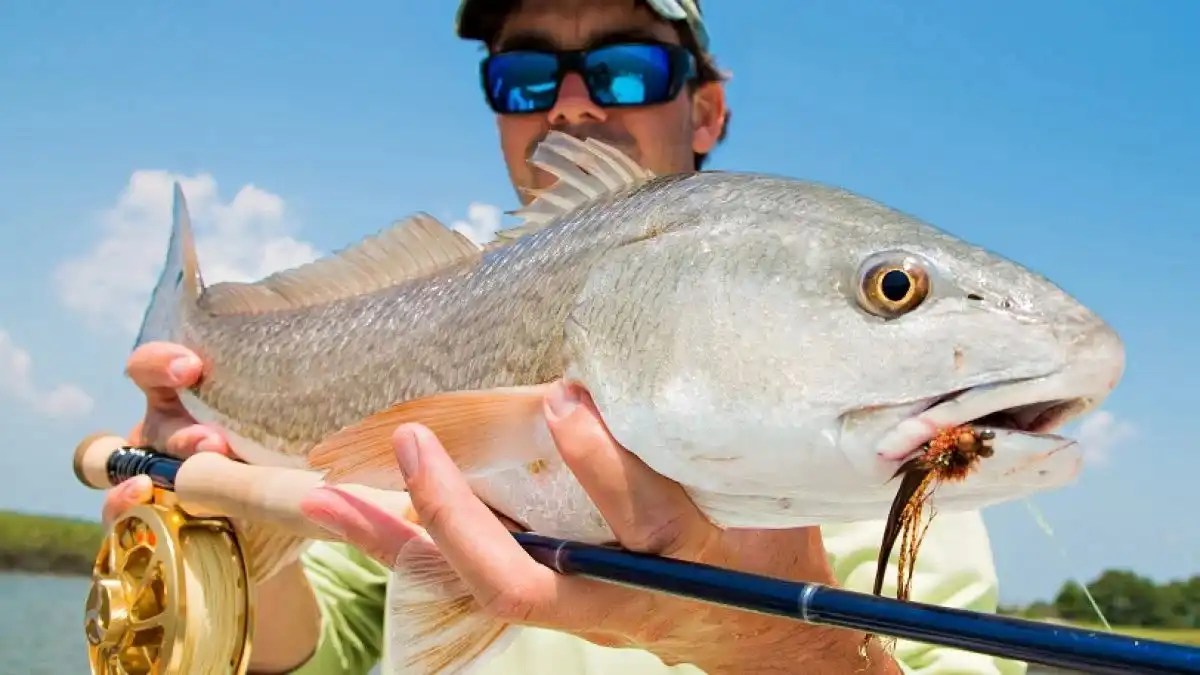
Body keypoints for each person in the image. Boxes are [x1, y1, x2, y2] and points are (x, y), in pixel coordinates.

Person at [99, 1, 1026, 673]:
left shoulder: (888, 447)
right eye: (526, 77)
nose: (572, 105)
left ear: (704, 109)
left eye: (628, 69)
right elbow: (317, 647)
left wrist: (779, 643)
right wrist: (226, 519)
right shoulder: (438, 312)